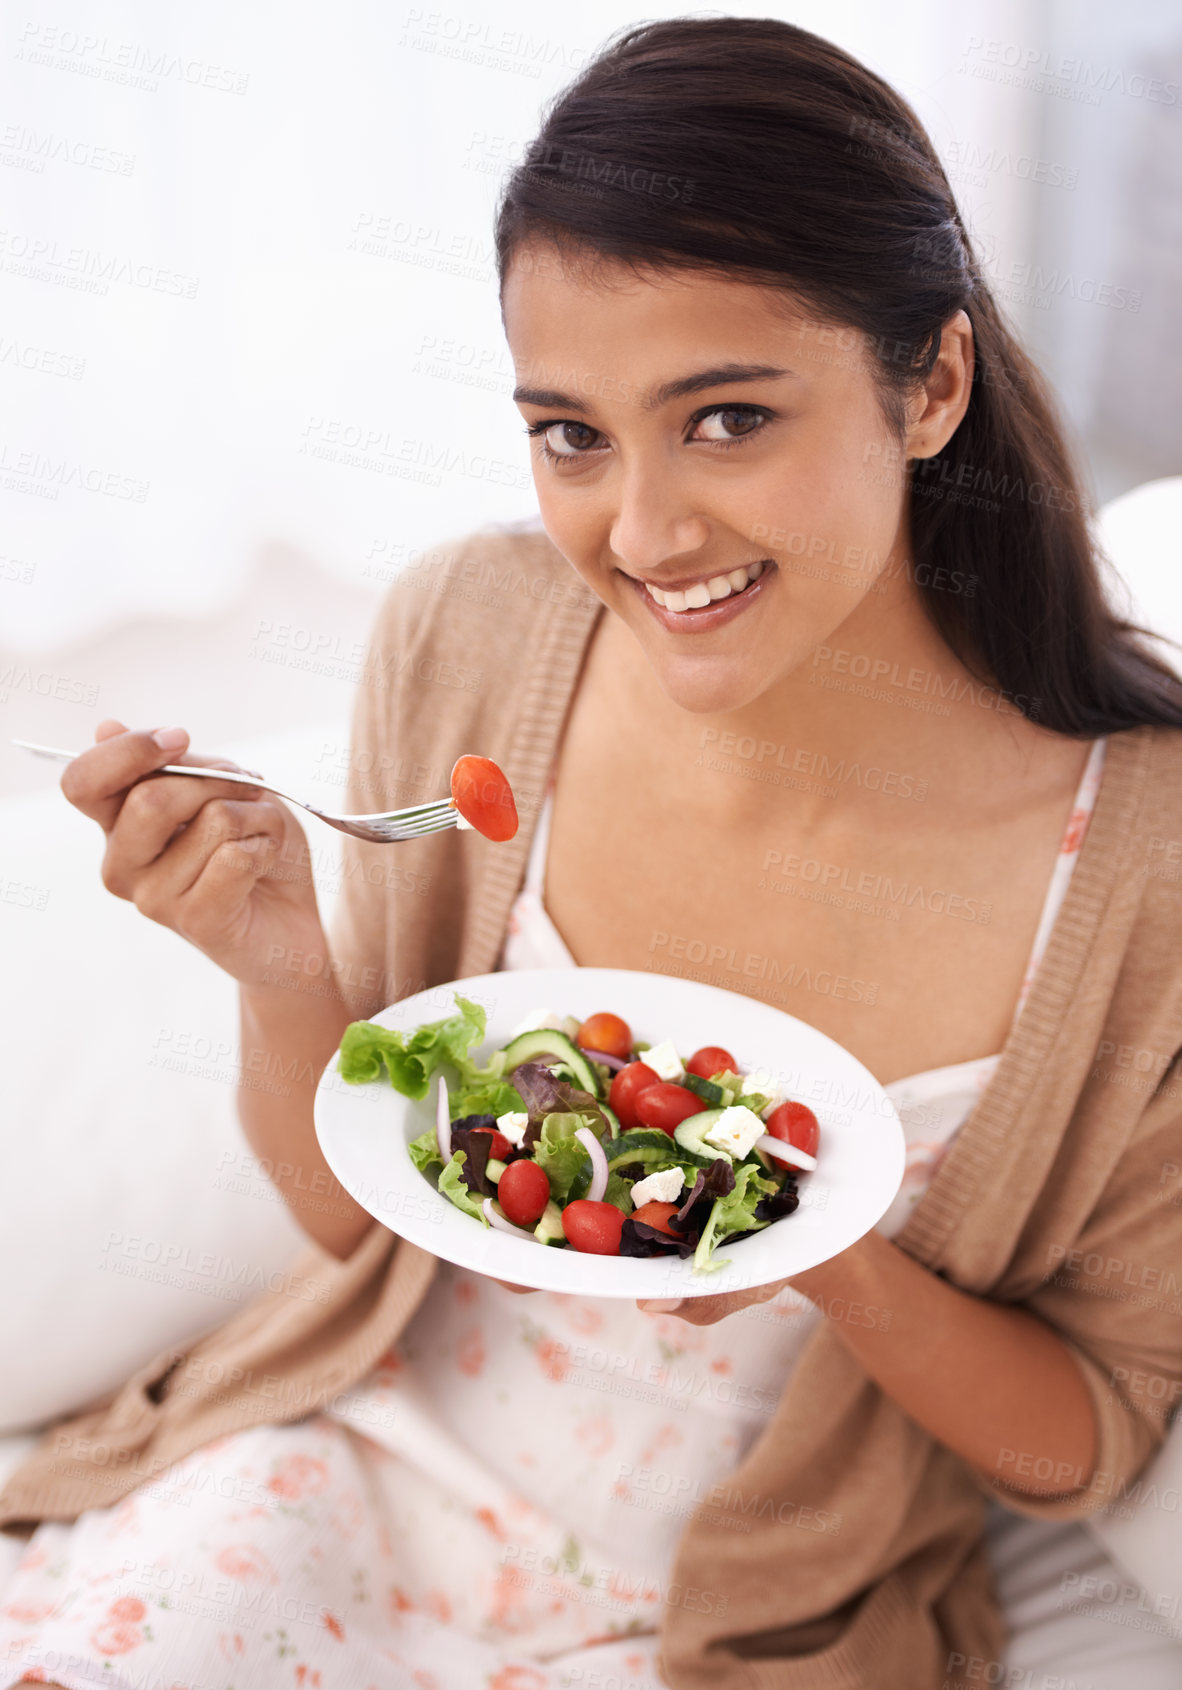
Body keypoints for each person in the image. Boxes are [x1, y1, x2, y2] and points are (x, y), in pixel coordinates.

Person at [3, 16, 1182, 1690]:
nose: (640, 532)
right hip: (337, 1461)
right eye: (571, 433)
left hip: (725, 1617)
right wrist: (281, 961)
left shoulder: (1142, 869)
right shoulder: (472, 636)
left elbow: (1084, 1446)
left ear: (928, 383)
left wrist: (817, 1244)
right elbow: (364, 1231)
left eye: (723, 420)